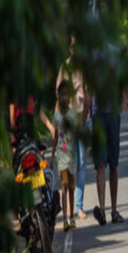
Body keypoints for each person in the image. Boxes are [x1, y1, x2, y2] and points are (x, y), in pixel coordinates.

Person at [89, 50, 124, 226]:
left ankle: (114, 210)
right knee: (100, 164)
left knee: (113, 164)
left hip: (112, 113)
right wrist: (84, 119)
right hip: (98, 114)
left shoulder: (113, 51)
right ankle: (102, 209)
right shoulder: (91, 55)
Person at [56, 35, 88, 220]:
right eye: (74, 47)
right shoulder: (65, 68)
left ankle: (79, 206)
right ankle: (68, 206)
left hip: (82, 120)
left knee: (82, 163)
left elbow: (88, 92)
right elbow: (58, 92)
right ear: (70, 49)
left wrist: (86, 119)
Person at [53, 81, 78, 231]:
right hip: (61, 156)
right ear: (59, 97)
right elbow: (55, 136)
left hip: (71, 156)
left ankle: (72, 217)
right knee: (64, 186)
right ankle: (64, 220)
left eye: (66, 95)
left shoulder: (72, 114)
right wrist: (52, 156)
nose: (64, 98)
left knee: (71, 188)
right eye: (62, 95)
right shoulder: (56, 116)